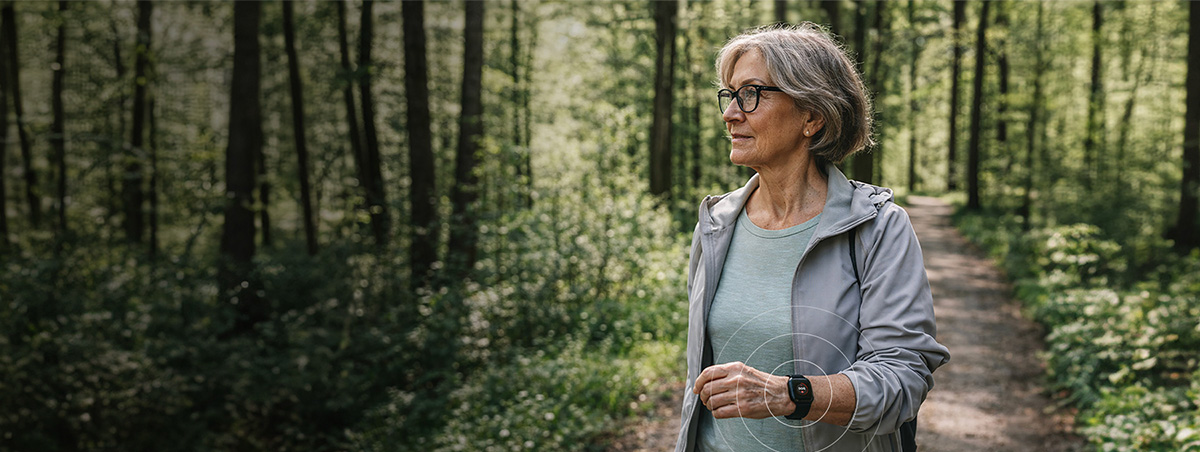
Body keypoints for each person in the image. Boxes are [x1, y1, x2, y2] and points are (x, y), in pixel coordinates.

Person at [673, 23, 950, 452]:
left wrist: (790, 394)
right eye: (730, 95)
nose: (730, 113)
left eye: (751, 94)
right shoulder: (716, 223)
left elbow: (903, 378)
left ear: (812, 116)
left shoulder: (878, 228)